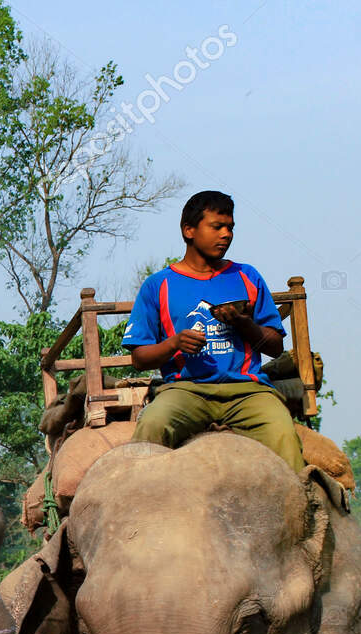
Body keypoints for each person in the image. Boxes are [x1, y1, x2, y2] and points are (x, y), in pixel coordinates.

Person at [125, 190, 303, 473]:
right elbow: (139, 359)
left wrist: (243, 323)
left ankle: (302, 508)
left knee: (283, 432)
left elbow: (275, 347)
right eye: (216, 227)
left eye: (230, 227)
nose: (226, 235)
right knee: (153, 425)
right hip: (185, 390)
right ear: (189, 231)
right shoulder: (158, 285)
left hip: (247, 391)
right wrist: (175, 343)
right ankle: (134, 506)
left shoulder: (247, 276)